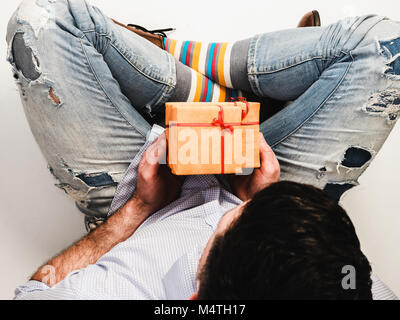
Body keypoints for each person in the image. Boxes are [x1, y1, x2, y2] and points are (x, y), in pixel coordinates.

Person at [6, 0, 399, 299]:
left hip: (139, 204)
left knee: (44, 21)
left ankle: (193, 75)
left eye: (237, 218)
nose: (238, 209)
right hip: (285, 205)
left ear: (196, 295)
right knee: (386, 47)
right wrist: (271, 202)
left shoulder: (121, 288)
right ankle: (240, 96)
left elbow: (35, 291)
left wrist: (135, 212)